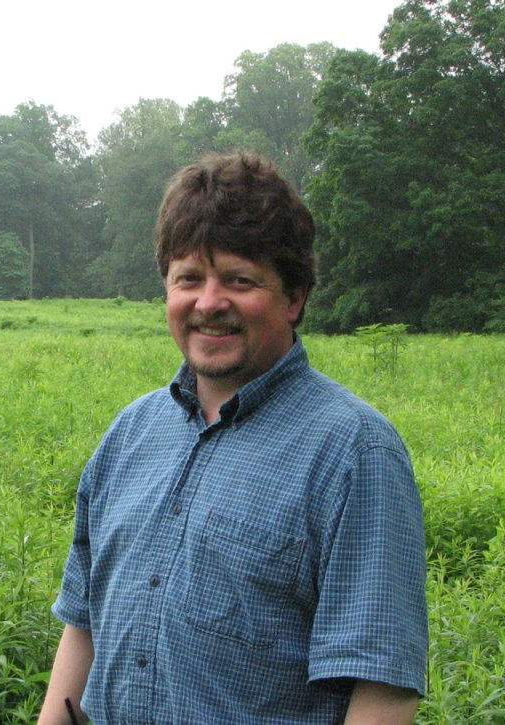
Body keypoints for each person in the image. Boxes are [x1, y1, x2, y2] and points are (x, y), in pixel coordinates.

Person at [38, 152, 428, 724]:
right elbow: (83, 626)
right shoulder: (130, 434)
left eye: (239, 280)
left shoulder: (354, 452)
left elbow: (383, 691)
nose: (209, 302)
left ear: (294, 297)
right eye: (188, 278)